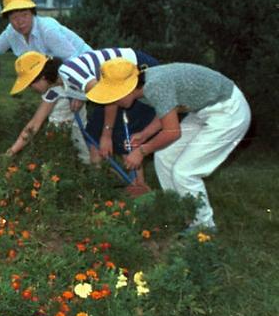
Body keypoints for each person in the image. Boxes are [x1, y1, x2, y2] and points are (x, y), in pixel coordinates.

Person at [86, 59, 251, 232]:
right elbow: (167, 111)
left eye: (115, 95)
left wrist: (142, 151)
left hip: (228, 111)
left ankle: (204, 228)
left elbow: (172, 132)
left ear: (128, 88)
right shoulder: (146, 87)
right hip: (203, 111)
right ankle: (181, 210)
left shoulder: (155, 86)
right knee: (164, 157)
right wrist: (145, 135)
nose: (114, 101)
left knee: (185, 171)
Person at [6, 52, 90, 163]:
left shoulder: (71, 75)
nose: (30, 88)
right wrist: (11, 152)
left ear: (43, 77)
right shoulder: (52, 91)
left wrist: (82, 95)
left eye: (30, 84)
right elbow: (35, 123)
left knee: (84, 149)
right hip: (71, 130)